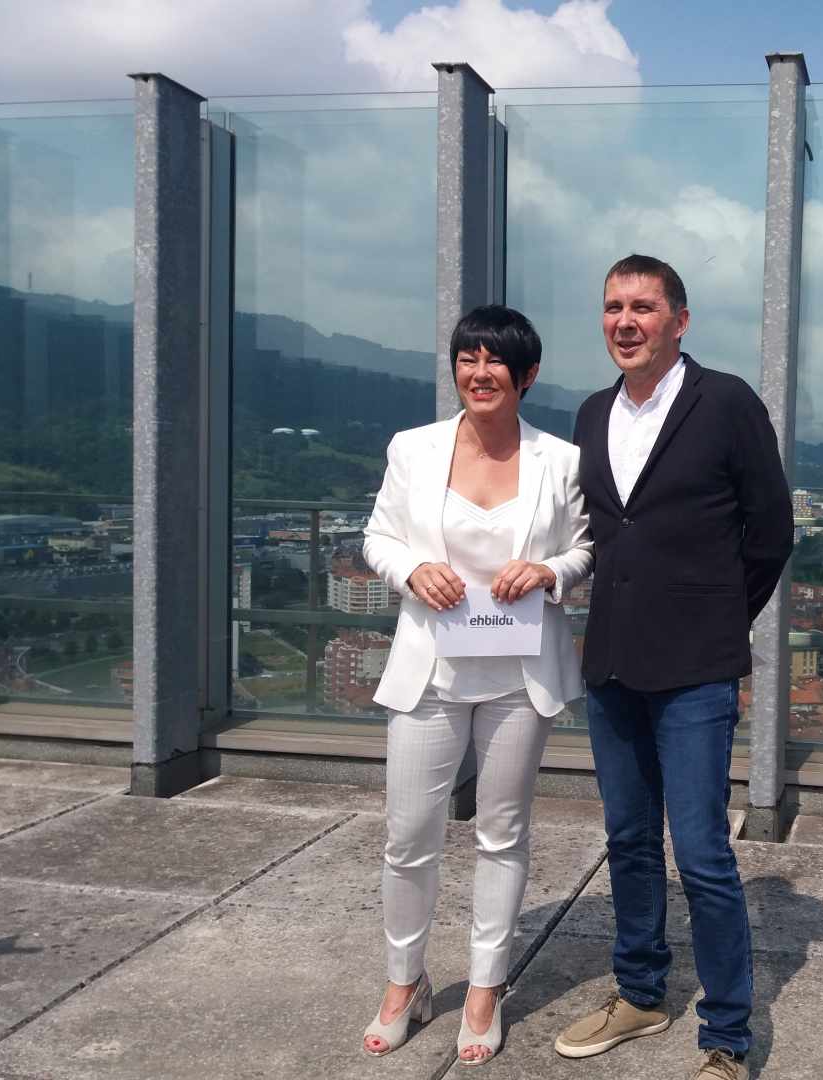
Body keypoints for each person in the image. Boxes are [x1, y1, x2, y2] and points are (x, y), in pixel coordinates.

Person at [553, 255, 794, 1080]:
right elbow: (596, 534)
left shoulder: (725, 403)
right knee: (626, 840)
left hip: (695, 669)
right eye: (613, 305)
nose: (626, 320)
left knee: (701, 853)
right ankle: (641, 994)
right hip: (612, 662)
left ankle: (726, 1035)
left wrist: (717, 619)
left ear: (678, 321)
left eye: (644, 307)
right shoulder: (591, 413)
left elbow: (770, 533)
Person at [360, 305, 593, 1066]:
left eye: (496, 362)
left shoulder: (560, 459)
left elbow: (585, 548)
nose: (479, 372)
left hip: (519, 678)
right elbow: (378, 538)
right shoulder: (413, 449)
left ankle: (487, 987)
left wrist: (552, 570)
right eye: (467, 358)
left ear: (525, 377)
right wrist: (409, 569)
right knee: (408, 837)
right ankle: (405, 982)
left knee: (502, 833)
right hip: (431, 669)